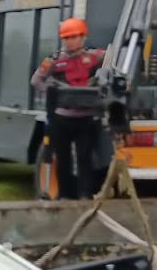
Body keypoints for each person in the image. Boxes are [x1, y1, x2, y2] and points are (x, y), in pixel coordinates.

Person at [31, 17, 104, 200]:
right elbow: (36, 80)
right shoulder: (54, 60)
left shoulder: (95, 57)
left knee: (85, 158)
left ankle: (85, 195)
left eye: (74, 37)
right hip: (62, 118)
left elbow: (114, 62)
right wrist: (52, 91)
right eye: (67, 38)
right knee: (62, 159)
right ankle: (65, 196)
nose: (70, 41)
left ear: (83, 37)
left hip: (86, 118)